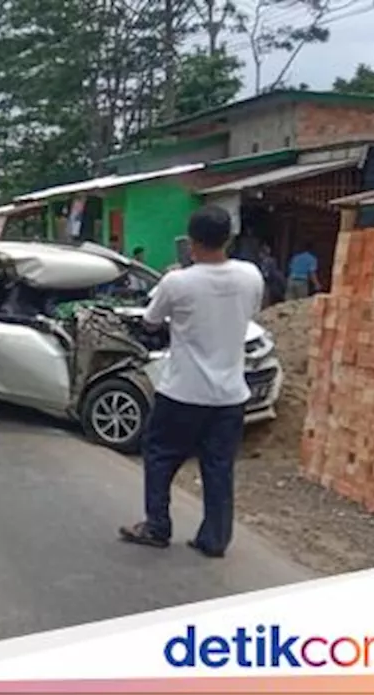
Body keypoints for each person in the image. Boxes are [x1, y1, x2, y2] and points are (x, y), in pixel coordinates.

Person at [118, 205, 264, 559]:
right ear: (229, 238)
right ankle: (214, 540)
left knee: (160, 457)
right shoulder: (251, 275)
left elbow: (151, 322)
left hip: (183, 393)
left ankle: (156, 526)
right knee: (218, 467)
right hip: (229, 396)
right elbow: (250, 313)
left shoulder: (177, 281)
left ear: (191, 241)